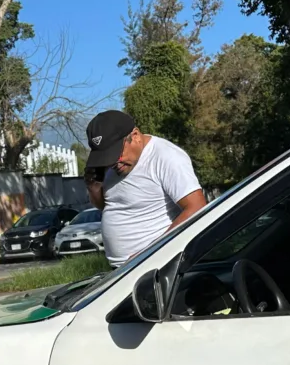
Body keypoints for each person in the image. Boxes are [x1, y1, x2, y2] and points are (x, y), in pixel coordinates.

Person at [84, 110, 207, 267]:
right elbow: (109, 207)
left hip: (157, 267)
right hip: (122, 270)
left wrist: (149, 253)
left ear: (135, 136)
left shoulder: (165, 156)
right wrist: (94, 188)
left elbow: (197, 207)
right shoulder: (112, 166)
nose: (114, 163)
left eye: (116, 154)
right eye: (107, 157)